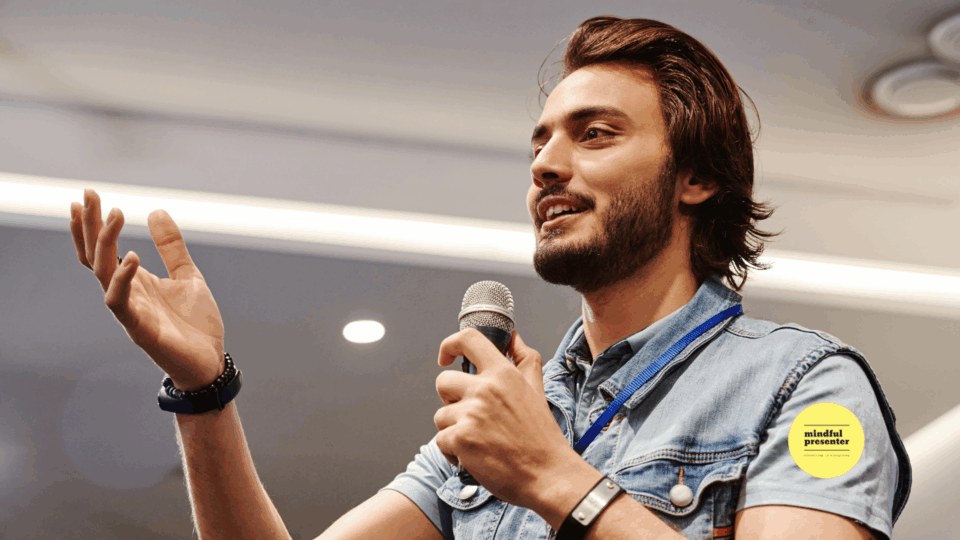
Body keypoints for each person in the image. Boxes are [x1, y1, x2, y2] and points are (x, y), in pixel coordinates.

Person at [69, 15, 910, 540]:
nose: (546, 164)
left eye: (595, 133)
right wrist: (205, 390)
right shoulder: (504, 421)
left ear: (695, 177)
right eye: (539, 142)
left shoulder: (809, 392)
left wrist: (554, 480)